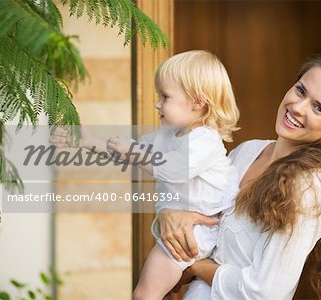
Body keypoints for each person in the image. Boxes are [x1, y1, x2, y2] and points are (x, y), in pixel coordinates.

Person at [156, 50, 321, 299]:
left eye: (318, 108)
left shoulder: (309, 189)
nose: (298, 108)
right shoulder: (248, 151)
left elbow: (266, 291)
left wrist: (196, 266)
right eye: (301, 90)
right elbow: (197, 201)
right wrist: (168, 212)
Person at [51, 50, 240, 300]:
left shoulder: (205, 140)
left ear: (197, 102)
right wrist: (88, 141)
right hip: (184, 229)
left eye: (165, 96)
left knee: (144, 296)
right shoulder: (170, 134)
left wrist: (135, 152)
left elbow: (174, 170)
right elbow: (126, 153)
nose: (157, 104)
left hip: (195, 234)